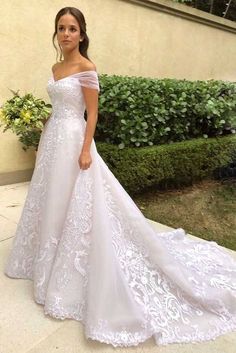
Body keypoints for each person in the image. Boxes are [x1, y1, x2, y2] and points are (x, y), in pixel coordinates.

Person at [4, 6, 236, 348]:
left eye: (72, 29)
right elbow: (59, 108)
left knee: (79, 202)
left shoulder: (87, 68)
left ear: (82, 34)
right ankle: (46, 261)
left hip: (74, 142)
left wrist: (85, 149)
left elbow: (92, 113)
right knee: (52, 200)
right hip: (54, 139)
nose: (66, 34)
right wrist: (44, 127)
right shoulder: (55, 67)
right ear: (56, 34)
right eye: (61, 28)